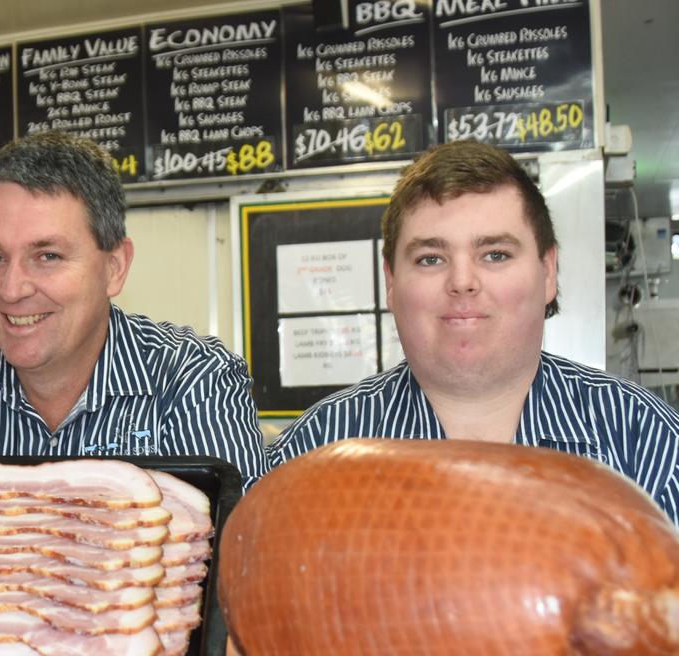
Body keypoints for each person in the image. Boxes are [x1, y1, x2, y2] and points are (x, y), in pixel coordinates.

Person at [267, 140, 679, 521]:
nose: (462, 281)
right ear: (391, 282)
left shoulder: (648, 442)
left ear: (548, 271)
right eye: (430, 258)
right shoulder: (311, 453)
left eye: (495, 254)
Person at [0, 131, 266, 486]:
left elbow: (233, 559)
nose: (12, 290)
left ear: (114, 268)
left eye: (47, 256)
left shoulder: (196, 380)